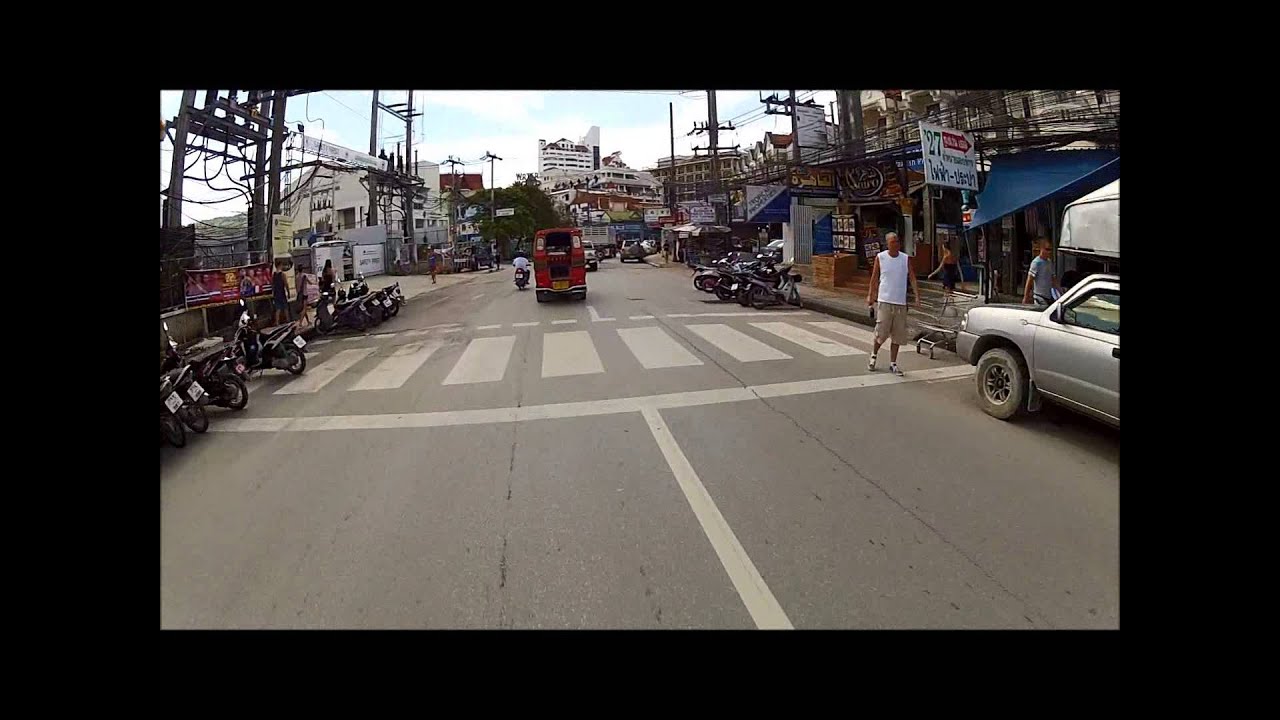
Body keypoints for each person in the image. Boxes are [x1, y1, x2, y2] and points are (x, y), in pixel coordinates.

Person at [866, 232, 920, 376]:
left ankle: (893, 363)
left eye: (897, 241)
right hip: (885, 300)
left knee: (897, 335)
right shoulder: (881, 257)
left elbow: (912, 278)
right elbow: (874, 278)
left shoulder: (904, 258)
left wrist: (916, 296)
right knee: (881, 333)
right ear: (887, 243)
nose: (896, 244)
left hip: (900, 302)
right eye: (893, 241)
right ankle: (874, 354)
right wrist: (870, 295)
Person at [1023, 237, 1060, 306]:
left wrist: (1060, 291)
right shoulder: (1036, 263)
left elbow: (1053, 279)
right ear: (1041, 249)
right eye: (1047, 249)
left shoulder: (1049, 262)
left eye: (1050, 250)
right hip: (1039, 297)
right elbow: (1030, 280)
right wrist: (1026, 296)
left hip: (1049, 296)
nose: (1049, 252)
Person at [271, 260, 290, 326]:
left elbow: (273, 285)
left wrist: (273, 293)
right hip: (282, 292)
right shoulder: (282, 274)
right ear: (280, 265)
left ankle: (277, 322)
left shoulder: (274, 274)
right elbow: (286, 284)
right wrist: (288, 292)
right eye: (282, 265)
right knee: (285, 307)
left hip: (276, 293)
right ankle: (287, 320)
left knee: (278, 308)